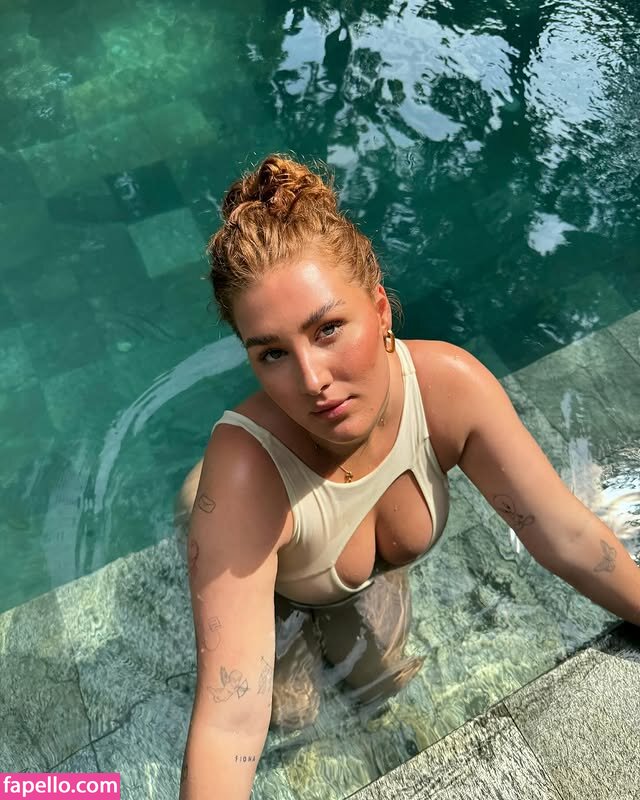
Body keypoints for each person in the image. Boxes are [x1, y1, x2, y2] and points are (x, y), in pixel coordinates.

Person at [176, 154, 640, 799]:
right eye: (273, 352)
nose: (311, 381)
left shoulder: (449, 390)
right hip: (243, 517)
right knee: (290, 711)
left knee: (378, 681)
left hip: (334, 551)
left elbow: (568, 538)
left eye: (328, 329)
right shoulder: (244, 479)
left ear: (380, 309)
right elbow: (229, 720)